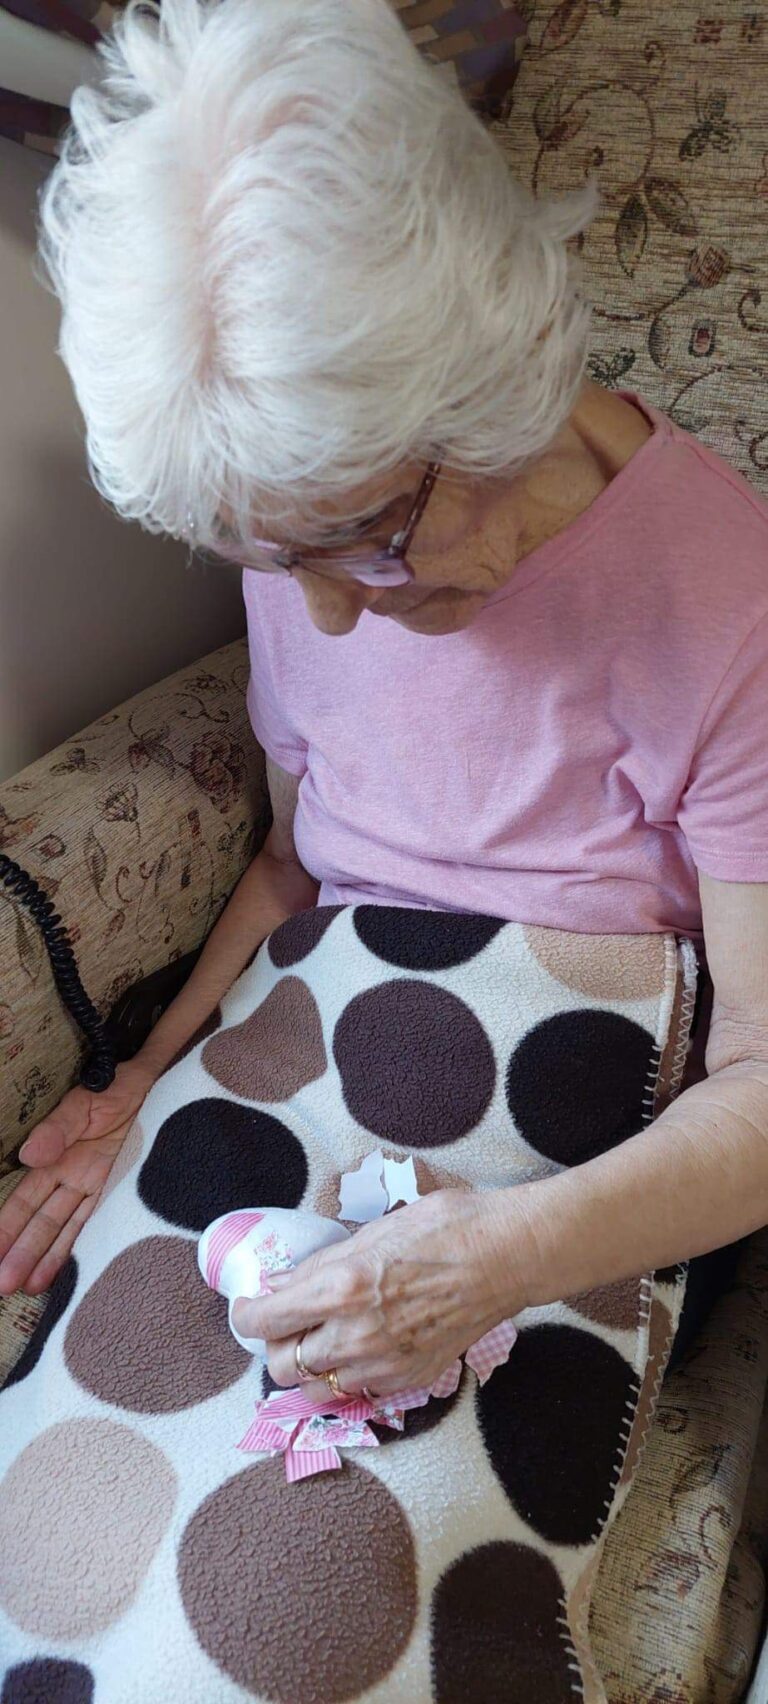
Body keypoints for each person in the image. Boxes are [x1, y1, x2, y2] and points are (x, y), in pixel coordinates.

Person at [1, 0, 767, 1404]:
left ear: (499, 384)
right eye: (274, 562)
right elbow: (294, 864)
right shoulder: (307, 536)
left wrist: (486, 1262)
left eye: (365, 540)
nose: (328, 616)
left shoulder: (731, 602)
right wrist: (146, 1084)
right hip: (318, 1039)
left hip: (571, 1137)